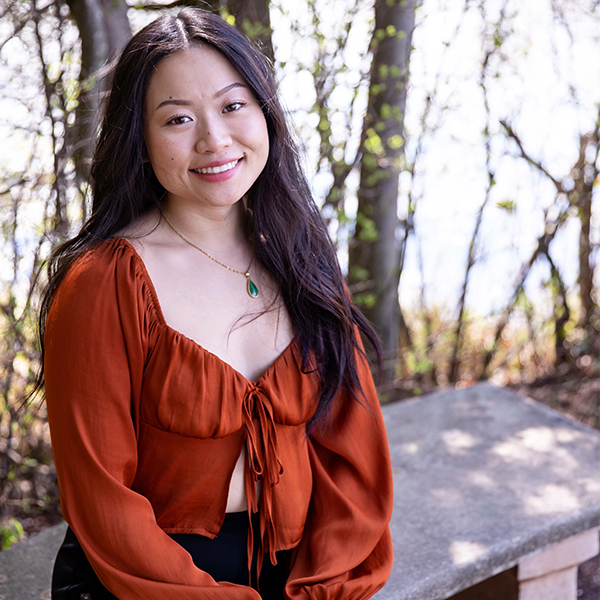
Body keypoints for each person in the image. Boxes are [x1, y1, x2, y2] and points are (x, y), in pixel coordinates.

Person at [40, 7, 393, 600]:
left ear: (265, 113)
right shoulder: (104, 283)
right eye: (178, 118)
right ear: (141, 139)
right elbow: (101, 501)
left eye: (233, 106)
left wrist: (322, 588)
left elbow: (352, 458)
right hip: (147, 581)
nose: (215, 139)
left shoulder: (301, 258)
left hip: (300, 574)